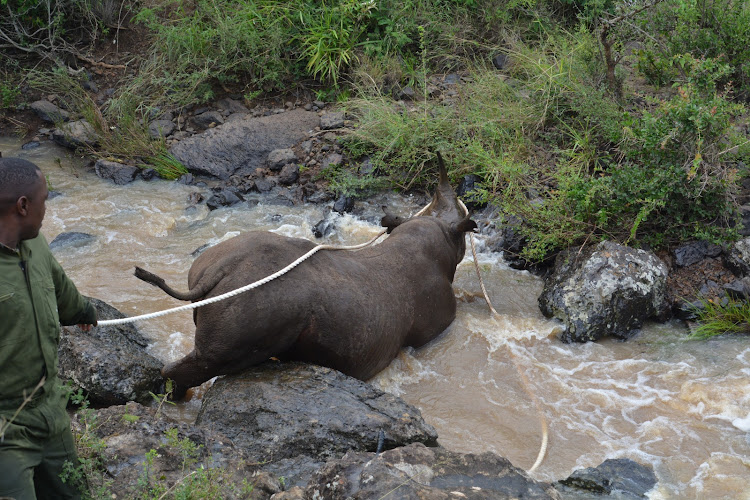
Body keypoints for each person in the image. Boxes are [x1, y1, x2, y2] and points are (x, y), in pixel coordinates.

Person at [0, 156, 98, 500]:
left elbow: (60, 288)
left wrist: (85, 311)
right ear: (23, 206)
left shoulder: (36, 243)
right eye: (45, 200)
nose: (48, 209)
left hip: (51, 411)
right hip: (6, 429)